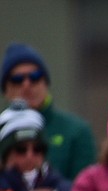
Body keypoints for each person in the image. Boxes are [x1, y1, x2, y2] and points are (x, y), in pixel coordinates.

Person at [1, 43, 96, 180]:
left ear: (46, 82)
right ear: (5, 90)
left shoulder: (76, 131)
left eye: (35, 76)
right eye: (17, 79)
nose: (26, 85)